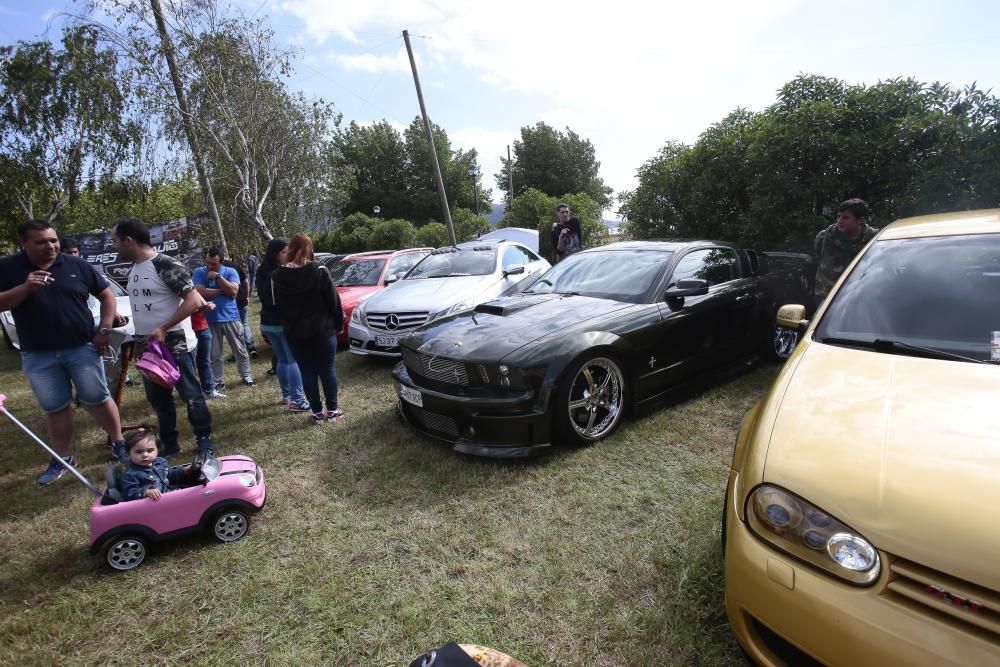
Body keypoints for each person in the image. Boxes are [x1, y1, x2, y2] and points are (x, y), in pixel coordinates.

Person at [0, 220, 126, 483]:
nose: (51, 246)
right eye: (41, 242)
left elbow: (106, 295)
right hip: (38, 353)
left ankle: (120, 445)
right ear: (23, 243)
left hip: (81, 347)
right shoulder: (8, 268)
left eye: (54, 240)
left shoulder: (76, 264)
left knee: (97, 398)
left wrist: (104, 330)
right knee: (56, 407)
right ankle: (62, 458)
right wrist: (26, 288)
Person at [112, 218, 217, 458]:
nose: (114, 246)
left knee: (191, 395)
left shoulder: (166, 265)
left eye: (115, 241)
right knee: (159, 400)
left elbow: (193, 300)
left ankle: (204, 439)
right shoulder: (136, 268)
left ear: (129, 241)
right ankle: (169, 443)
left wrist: (162, 327)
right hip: (147, 348)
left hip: (174, 344)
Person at [271, 233, 344, 425]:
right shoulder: (319, 270)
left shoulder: (277, 276)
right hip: (323, 330)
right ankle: (333, 411)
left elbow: (278, 306)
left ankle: (317, 413)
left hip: (295, 332)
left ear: (291, 249)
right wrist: (338, 324)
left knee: (307, 372)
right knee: (327, 370)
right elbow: (334, 302)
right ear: (309, 248)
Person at [256, 238, 310, 412]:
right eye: (286, 252)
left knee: (283, 359)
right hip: (282, 323)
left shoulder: (261, 271)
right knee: (292, 360)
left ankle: (287, 396)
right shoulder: (280, 273)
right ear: (276, 254)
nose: (289, 255)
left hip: (268, 323)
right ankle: (297, 399)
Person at [193, 247, 255, 388]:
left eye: (213, 264)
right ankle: (218, 381)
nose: (209, 266)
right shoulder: (198, 272)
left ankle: (246, 376)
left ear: (221, 262)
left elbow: (233, 292)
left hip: (230, 317)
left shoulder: (230, 271)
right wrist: (223, 291)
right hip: (209, 319)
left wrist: (218, 277)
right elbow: (200, 292)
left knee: (240, 349)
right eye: (207, 262)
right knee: (214, 353)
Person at [814, 198, 879, 307]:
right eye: (838, 216)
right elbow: (817, 254)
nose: (839, 221)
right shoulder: (824, 237)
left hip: (860, 295)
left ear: (860, 220)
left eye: (845, 218)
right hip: (827, 294)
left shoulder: (874, 239)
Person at [120, 428, 193, 501]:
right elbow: (128, 493)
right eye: (139, 452)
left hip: (171, 494)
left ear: (157, 450)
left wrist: (183, 471)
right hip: (157, 504)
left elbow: (169, 476)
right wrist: (146, 492)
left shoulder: (160, 462)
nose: (145, 455)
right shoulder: (131, 474)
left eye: (150, 450)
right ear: (128, 454)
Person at [223, 255, 258, 358]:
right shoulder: (234, 265)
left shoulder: (215, 269)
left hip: (230, 302)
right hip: (241, 299)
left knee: (234, 328)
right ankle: (251, 347)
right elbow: (245, 281)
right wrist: (247, 295)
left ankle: (238, 351)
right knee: (244, 324)